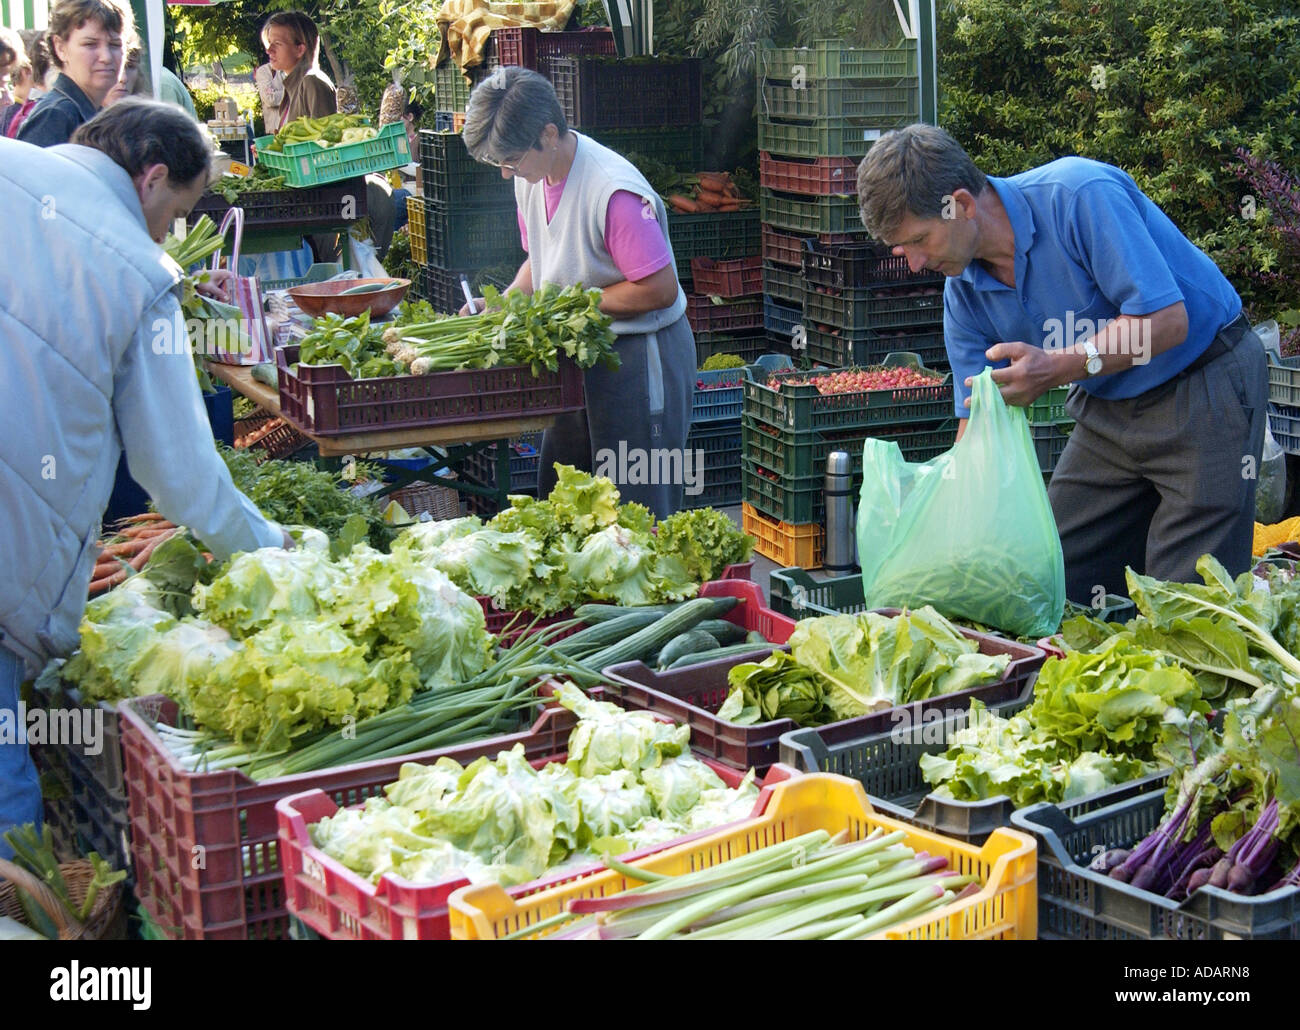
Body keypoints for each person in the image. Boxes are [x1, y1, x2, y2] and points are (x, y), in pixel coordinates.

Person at [0, 99, 293, 856]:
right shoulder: (137, 271)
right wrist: (272, 550)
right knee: (5, 794)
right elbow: (179, 474)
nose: (168, 233)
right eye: (177, 213)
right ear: (152, 176)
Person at [855, 123, 1268, 602]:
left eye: (920, 240)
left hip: (1204, 381)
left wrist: (1057, 367)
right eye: (903, 249)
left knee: (1189, 602)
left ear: (962, 205)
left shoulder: (1078, 196)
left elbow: (1167, 321)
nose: (915, 264)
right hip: (1108, 408)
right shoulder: (963, 294)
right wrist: (949, 534)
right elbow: (976, 424)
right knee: (1048, 576)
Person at [460, 67, 694, 517]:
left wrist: (571, 304)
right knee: (563, 504)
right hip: (578, 354)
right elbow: (542, 258)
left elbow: (660, 289)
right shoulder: (533, 179)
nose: (507, 174)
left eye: (511, 161)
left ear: (548, 134)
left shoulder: (614, 192)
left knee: (638, 510)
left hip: (641, 362)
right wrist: (506, 302)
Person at [260, 9, 397, 259]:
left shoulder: (312, 82)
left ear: (300, 49)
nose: (269, 51)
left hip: (328, 206)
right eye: (269, 45)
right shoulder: (294, 85)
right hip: (316, 203)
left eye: (276, 44)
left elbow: (326, 147)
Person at [17, 0, 131, 147]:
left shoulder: (96, 114)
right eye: (90, 44)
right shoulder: (55, 116)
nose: (106, 57)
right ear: (60, 48)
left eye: (115, 45)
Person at [253, 60, 283, 135]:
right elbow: (270, 98)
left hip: (299, 128)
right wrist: (294, 93)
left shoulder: (301, 69)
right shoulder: (265, 71)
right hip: (276, 130)